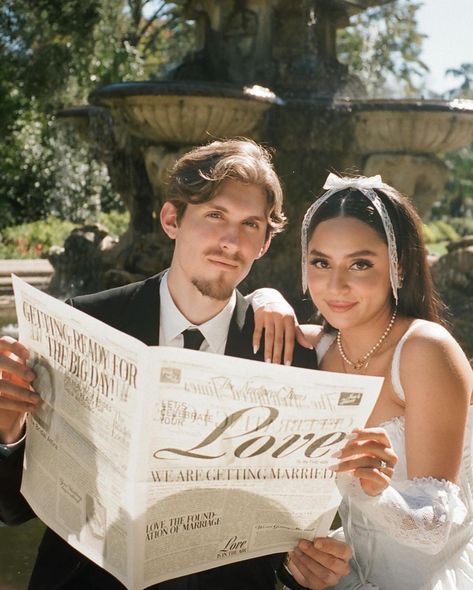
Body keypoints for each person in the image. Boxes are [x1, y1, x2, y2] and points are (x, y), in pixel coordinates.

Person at [0, 140, 352, 590]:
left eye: (250, 225)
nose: (231, 241)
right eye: (215, 215)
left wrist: (308, 570)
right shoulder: (83, 324)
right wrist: (8, 431)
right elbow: (13, 511)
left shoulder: (289, 358)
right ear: (172, 220)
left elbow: (288, 544)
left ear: (264, 244)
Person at [253, 173, 473, 589]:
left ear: (399, 266)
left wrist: (376, 492)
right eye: (320, 263)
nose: (336, 286)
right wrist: (265, 296)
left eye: (360, 264)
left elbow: (435, 529)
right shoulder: (315, 351)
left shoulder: (424, 350)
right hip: (347, 577)